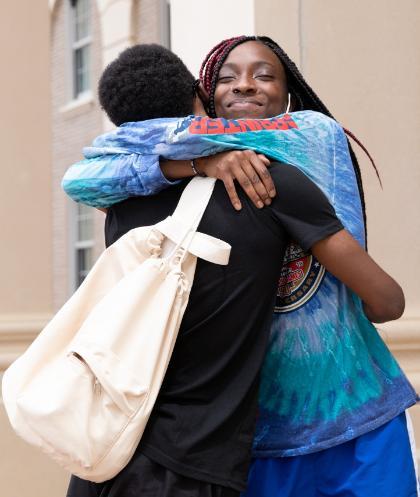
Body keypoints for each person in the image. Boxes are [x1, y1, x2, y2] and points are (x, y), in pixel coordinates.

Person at [63, 39, 418, 497]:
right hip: (248, 440)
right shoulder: (174, 168)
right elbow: (82, 178)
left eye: (265, 75)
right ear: (203, 98)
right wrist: (199, 160)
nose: (245, 85)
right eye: (227, 78)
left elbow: (85, 175)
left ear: (289, 92)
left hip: (353, 411)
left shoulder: (308, 138)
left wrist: (199, 153)